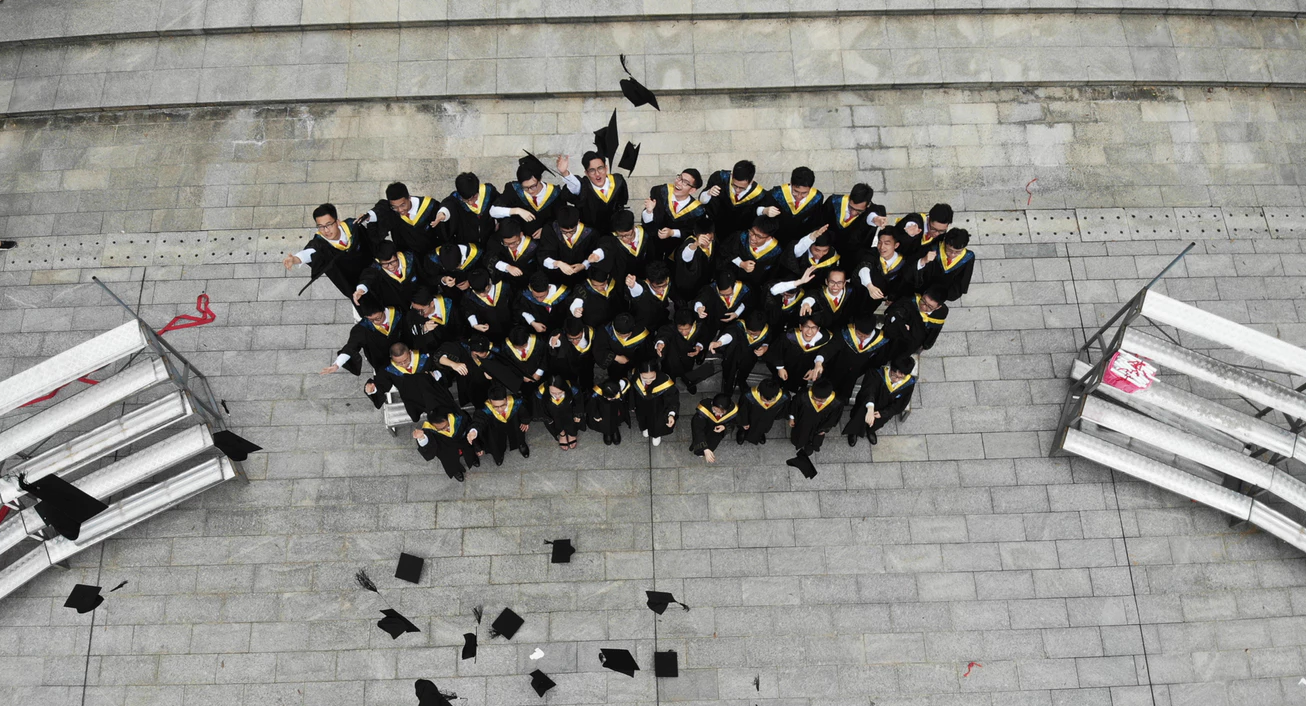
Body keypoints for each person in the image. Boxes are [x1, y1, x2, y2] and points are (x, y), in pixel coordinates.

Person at [283, 203, 372, 299]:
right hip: (351, 282)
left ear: (337, 222)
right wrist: (296, 259)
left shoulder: (352, 225)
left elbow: (370, 239)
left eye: (329, 225)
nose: (326, 230)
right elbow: (311, 252)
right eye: (321, 226)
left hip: (372, 268)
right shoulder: (320, 242)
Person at [372, 342, 456, 421]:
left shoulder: (425, 357)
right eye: (399, 362)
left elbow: (446, 371)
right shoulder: (388, 369)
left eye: (406, 360)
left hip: (436, 397)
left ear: (410, 352)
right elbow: (382, 384)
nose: (404, 364)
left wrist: (436, 374)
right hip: (413, 402)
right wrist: (373, 389)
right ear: (391, 357)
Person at [844, 356, 916, 447]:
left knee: (877, 423)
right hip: (866, 404)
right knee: (858, 418)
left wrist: (884, 413)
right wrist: (870, 408)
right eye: (895, 376)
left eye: (901, 377)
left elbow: (901, 403)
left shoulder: (909, 383)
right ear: (891, 369)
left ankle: (870, 431)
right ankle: (853, 432)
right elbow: (869, 390)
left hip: (884, 410)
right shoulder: (876, 373)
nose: (896, 380)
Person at [321, 305, 405, 378]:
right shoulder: (362, 328)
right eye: (371, 320)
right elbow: (352, 346)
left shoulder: (399, 314)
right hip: (380, 359)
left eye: (378, 318)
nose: (376, 322)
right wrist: (338, 364)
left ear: (383, 310)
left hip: (405, 354)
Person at [433, 172, 515, 246]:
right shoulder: (455, 198)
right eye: (466, 200)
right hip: (467, 242)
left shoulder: (488, 191)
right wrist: (443, 213)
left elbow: (499, 204)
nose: (470, 202)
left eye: (474, 197)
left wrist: (500, 222)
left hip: (488, 236)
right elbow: (448, 205)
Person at [359, 182, 440, 254]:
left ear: (409, 197)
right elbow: (380, 209)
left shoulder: (430, 207)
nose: (400, 210)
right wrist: (368, 217)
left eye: (403, 205)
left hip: (431, 250)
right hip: (408, 254)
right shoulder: (392, 211)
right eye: (395, 207)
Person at [825, 314, 893, 401]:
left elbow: (878, 360)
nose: (863, 338)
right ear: (854, 327)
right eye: (860, 335)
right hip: (835, 367)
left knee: (845, 393)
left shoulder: (881, 339)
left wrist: (864, 369)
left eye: (866, 336)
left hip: (856, 372)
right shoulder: (845, 333)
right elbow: (832, 348)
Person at [559, 151, 629, 234]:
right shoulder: (583, 187)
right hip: (590, 234)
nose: (597, 174)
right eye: (592, 170)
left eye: (600, 168)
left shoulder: (618, 181)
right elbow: (574, 184)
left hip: (614, 232)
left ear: (606, 168)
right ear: (586, 173)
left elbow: (622, 202)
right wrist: (565, 173)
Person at [642, 168, 706, 259]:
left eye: (685, 182)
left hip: (676, 250)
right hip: (653, 245)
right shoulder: (660, 192)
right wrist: (649, 211)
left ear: (692, 190)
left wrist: (673, 232)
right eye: (679, 177)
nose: (678, 183)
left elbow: (691, 232)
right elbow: (648, 224)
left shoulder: (698, 211)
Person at [708, 309, 772, 397]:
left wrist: (765, 347)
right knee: (729, 372)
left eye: (755, 334)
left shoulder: (767, 331)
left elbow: (767, 340)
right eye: (750, 332)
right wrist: (719, 342)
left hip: (750, 356)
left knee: (745, 370)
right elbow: (730, 334)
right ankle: (727, 388)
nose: (752, 335)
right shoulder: (739, 326)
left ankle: (741, 381)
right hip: (734, 354)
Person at [823, 183, 886, 269]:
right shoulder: (834, 202)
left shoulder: (871, 212)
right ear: (849, 198)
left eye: (859, 211)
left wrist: (875, 219)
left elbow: (872, 216)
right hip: (829, 247)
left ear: (868, 205)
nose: (853, 213)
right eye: (851, 207)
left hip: (851, 255)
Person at [655, 309, 714, 394]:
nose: (684, 332)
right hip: (671, 359)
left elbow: (703, 337)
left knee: (687, 372)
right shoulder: (670, 328)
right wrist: (661, 343)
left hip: (688, 358)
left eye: (687, 329)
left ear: (693, 324)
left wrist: (699, 346)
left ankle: (687, 381)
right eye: (680, 329)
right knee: (670, 375)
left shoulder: (700, 327)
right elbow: (664, 335)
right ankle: (669, 385)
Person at [700, 160, 765, 236]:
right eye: (734, 185)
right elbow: (702, 200)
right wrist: (708, 193)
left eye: (742, 188)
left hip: (739, 235)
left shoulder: (758, 194)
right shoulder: (719, 179)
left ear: (751, 182)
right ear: (731, 175)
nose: (737, 190)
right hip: (716, 229)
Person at [540, 205, 600, 286]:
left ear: (578, 221)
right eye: (564, 232)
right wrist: (558, 263)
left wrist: (584, 265)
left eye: (572, 231)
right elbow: (543, 254)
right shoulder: (550, 230)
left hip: (581, 278)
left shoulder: (590, 233)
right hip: (556, 278)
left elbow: (594, 254)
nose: (568, 235)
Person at [768, 316, 832, 392]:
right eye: (806, 327)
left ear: (818, 329)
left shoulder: (824, 340)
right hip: (785, 369)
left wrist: (813, 368)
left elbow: (823, 355)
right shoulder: (788, 337)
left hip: (803, 373)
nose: (809, 332)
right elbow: (776, 351)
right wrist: (780, 367)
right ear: (800, 327)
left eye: (814, 328)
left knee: (798, 386)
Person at [761, 166, 824, 242]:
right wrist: (764, 210)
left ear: (810, 188)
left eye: (804, 193)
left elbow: (815, 221)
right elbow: (759, 210)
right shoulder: (777, 194)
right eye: (796, 191)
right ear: (791, 183)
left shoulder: (817, 198)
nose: (799, 196)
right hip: (777, 237)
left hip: (801, 239)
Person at [414, 408, 479, 481]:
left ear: (448, 417)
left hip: (464, 444)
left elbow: (471, 429)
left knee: (470, 452)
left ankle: (472, 459)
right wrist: (422, 438)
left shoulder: (460, 418)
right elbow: (429, 450)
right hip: (447, 451)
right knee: (450, 462)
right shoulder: (429, 431)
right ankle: (456, 471)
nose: (444, 430)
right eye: (439, 429)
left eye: (445, 426)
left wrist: (477, 446)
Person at [497, 162, 563, 233]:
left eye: (533, 186)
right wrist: (517, 211)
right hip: (519, 236)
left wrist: (547, 229)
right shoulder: (514, 190)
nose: (530, 191)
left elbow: (560, 219)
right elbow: (495, 210)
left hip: (546, 236)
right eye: (525, 187)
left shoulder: (555, 193)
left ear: (540, 179)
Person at [881, 290, 949, 359]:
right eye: (923, 301)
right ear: (923, 295)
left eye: (930, 307)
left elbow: (935, 330)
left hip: (914, 343)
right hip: (898, 338)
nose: (923, 307)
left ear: (938, 307)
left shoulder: (941, 312)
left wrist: (927, 345)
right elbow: (894, 313)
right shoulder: (909, 302)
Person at [911, 228, 975, 302]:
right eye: (949, 250)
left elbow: (963, 279)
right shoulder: (932, 249)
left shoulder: (968, 257)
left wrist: (947, 296)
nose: (953, 254)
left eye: (958, 252)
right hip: (924, 290)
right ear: (945, 243)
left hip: (944, 295)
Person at [587, 210, 651, 283]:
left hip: (645, 278)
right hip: (623, 281)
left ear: (633, 227)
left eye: (627, 235)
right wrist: (598, 254)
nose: (624, 239)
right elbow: (606, 246)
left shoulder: (646, 234)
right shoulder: (613, 240)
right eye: (620, 236)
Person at [473, 383, 531, 464]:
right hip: (496, 426)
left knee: (518, 432)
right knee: (497, 439)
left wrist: (525, 421)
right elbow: (479, 420)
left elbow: (524, 412)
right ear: (490, 401)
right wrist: (473, 430)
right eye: (496, 407)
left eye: (503, 405)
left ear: (506, 399)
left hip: (513, 423)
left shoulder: (516, 402)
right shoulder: (485, 409)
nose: (500, 409)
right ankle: (499, 452)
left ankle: (521, 444)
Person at [354, 240, 420, 310]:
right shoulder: (376, 267)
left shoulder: (411, 259)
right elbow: (368, 276)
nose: (391, 267)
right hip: (397, 304)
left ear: (397, 255)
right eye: (385, 264)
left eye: (393, 262)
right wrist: (361, 289)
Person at [857, 225, 909, 310]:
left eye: (887, 243)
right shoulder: (873, 253)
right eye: (879, 242)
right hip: (861, 293)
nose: (881, 247)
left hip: (877, 299)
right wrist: (869, 286)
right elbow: (864, 267)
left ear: (896, 245)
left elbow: (900, 283)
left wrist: (893, 297)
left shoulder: (903, 262)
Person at [788, 378, 843, 457]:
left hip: (819, 425)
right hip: (803, 422)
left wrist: (825, 429)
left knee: (816, 437)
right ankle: (798, 442)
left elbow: (833, 417)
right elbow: (795, 405)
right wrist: (792, 418)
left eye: (821, 401)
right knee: (799, 434)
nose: (817, 402)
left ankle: (810, 446)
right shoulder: (804, 395)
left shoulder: (836, 402)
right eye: (814, 398)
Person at [436, 334, 495, 406]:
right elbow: (439, 356)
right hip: (470, 382)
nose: (479, 358)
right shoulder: (461, 347)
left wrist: (493, 371)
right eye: (477, 355)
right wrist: (453, 364)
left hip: (489, 385)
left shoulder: (493, 348)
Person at [726, 215, 783, 289]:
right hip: (733, 281)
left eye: (759, 236)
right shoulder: (740, 237)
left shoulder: (776, 251)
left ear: (769, 238)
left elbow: (773, 274)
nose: (752, 238)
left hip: (755, 287)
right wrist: (740, 263)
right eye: (752, 232)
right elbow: (725, 252)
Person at [692, 269, 750, 340]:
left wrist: (736, 313)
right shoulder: (711, 288)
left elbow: (746, 302)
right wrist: (699, 308)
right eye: (722, 294)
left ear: (734, 285)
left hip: (731, 322)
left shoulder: (744, 289)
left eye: (728, 294)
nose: (725, 297)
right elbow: (702, 298)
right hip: (714, 319)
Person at [631, 360, 679, 447]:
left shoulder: (664, 381)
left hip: (657, 408)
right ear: (640, 373)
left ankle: (656, 435)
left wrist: (671, 414)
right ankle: (645, 427)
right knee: (642, 418)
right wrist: (632, 405)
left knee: (657, 423)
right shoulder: (636, 376)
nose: (648, 381)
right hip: (642, 406)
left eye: (652, 377)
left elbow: (672, 399)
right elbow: (632, 392)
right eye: (644, 378)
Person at [485, 219, 541, 291]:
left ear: (521, 234)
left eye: (514, 242)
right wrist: (507, 267)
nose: (511, 246)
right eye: (507, 243)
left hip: (527, 284)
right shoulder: (496, 241)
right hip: (505, 284)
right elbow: (489, 257)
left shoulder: (534, 245)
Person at [799, 267, 861, 331]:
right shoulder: (819, 293)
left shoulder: (851, 292)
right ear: (826, 281)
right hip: (822, 330)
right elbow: (812, 296)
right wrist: (806, 303)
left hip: (843, 330)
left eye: (839, 282)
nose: (835, 286)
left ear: (844, 283)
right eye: (832, 282)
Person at [597, 313, 653, 381]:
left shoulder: (641, 333)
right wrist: (615, 357)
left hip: (635, 363)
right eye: (619, 334)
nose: (623, 337)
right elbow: (599, 349)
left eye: (627, 335)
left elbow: (647, 352)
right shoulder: (606, 331)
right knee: (616, 379)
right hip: (615, 365)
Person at [673, 220, 717, 305]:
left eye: (709, 239)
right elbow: (685, 257)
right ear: (695, 234)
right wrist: (696, 244)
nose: (707, 242)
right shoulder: (690, 243)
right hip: (688, 287)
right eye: (703, 239)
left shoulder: (714, 241)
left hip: (704, 285)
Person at [461, 269, 514, 341]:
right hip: (491, 333)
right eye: (478, 292)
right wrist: (474, 324)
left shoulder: (505, 286)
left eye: (486, 291)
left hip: (511, 326)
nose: (483, 295)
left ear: (490, 281)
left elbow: (515, 304)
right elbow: (468, 309)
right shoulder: (469, 296)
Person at [549, 317, 597, 393]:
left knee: (587, 383)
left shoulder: (592, 333)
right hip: (570, 366)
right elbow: (554, 347)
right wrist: (555, 343)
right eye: (571, 339)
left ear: (582, 331)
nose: (575, 342)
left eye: (578, 338)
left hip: (586, 364)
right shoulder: (561, 335)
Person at [534, 375, 582, 450]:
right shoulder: (541, 391)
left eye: (560, 392)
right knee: (556, 423)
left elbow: (579, 402)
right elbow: (539, 407)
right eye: (553, 393)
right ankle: (562, 434)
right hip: (552, 413)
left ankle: (571, 433)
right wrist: (546, 418)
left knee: (571, 422)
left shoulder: (572, 388)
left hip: (569, 412)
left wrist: (577, 414)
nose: (557, 396)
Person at [736, 378, 789, 445]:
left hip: (767, 419)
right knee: (746, 425)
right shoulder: (749, 395)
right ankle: (742, 431)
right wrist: (744, 422)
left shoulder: (783, 396)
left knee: (764, 426)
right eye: (765, 399)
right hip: (751, 416)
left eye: (772, 399)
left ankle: (760, 433)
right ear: (759, 391)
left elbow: (784, 408)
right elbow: (743, 410)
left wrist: (778, 415)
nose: (768, 402)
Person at [406, 287, 460, 351]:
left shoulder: (450, 305)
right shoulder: (412, 315)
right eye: (416, 310)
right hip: (435, 350)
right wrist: (423, 329)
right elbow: (413, 338)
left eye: (422, 310)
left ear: (432, 303)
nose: (420, 314)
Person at [499, 325, 547, 396]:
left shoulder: (539, 341)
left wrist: (539, 372)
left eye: (523, 346)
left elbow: (545, 357)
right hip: (521, 379)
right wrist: (521, 376)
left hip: (539, 376)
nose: (520, 349)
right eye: (517, 347)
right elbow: (508, 363)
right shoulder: (505, 347)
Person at [625, 262, 673, 333]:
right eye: (657, 287)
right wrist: (633, 286)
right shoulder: (642, 288)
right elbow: (638, 291)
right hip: (646, 323)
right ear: (648, 280)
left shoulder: (667, 281)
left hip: (662, 317)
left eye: (664, 285)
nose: (661, 289)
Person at [690, 393, 738, 463]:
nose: (717, 414)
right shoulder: (704, 410)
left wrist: (724, 427)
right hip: (705, 427)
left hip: (717, 432)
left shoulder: (732, 411)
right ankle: (700, 452)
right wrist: (705, 449)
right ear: (712, 404)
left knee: (712, 443)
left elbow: (733, 422)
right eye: (715, 409)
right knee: (700, 440)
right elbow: (698, 430)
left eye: (721, 412)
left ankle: (708, 449)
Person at [587, 378, 631, 445]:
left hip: (616, 408)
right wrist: (596, 415)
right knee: (606, 421)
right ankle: (607, 431)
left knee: (616, 418)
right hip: (603, 410)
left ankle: (615, 429)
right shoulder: (597, 392)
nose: (609, 399)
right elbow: (592, 404)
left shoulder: (622, 388)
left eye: (611, 397)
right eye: (606, 397)